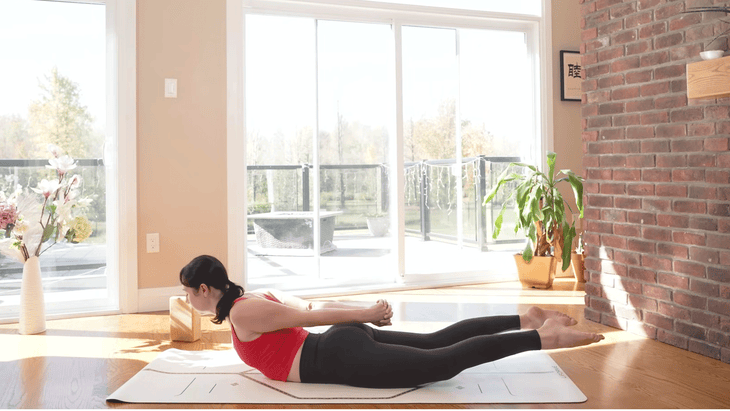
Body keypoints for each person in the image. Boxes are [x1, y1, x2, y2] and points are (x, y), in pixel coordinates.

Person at [180, 255, 604, 389]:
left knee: (443, 363)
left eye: (187, 291)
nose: (185, 299)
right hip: (338, 345)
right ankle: (525, 317)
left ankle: (541, 336)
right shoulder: (248, 299)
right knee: (439, 341)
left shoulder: (242, 311)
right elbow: (302, 310)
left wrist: (363, 314)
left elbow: (309, 315)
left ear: (203, 289)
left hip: (336, 356)